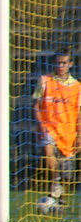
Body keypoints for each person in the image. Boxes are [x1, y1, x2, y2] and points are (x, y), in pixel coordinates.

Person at [32, 49, 81, 206]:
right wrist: (41, 125)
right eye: (58, 62)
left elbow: (79, 113)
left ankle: (59, 199)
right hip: (49, 127)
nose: (60, 65)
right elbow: (36, 105)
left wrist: (79, 135)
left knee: (68, 174)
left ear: (70, 64)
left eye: (64, 63)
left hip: (68, 132)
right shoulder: (45, 81)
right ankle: (56, 181)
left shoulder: (77, 87)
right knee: (48, 150)